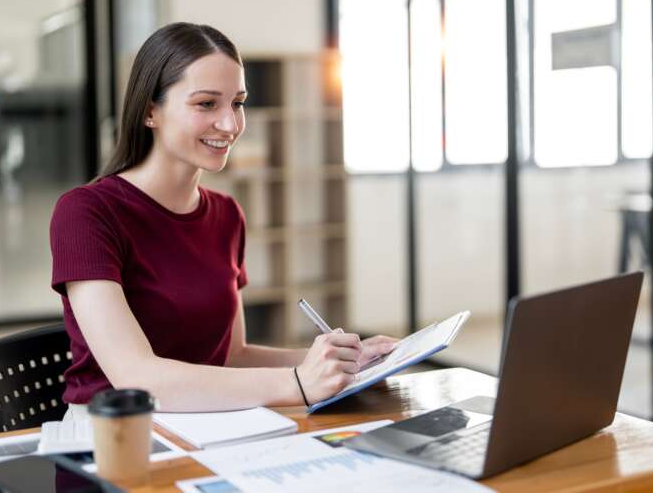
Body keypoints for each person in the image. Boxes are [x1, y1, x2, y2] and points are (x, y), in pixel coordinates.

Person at [49, 22, 397, 415]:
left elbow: (233, 357)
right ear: (150, 111)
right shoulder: (86, 213)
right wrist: (299, 383)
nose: (231, 124)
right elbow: (137, 377)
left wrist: (344, 362)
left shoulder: (227, 215)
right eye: (206, 104)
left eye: (238, 103)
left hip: (207, 422)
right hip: (115, 435)